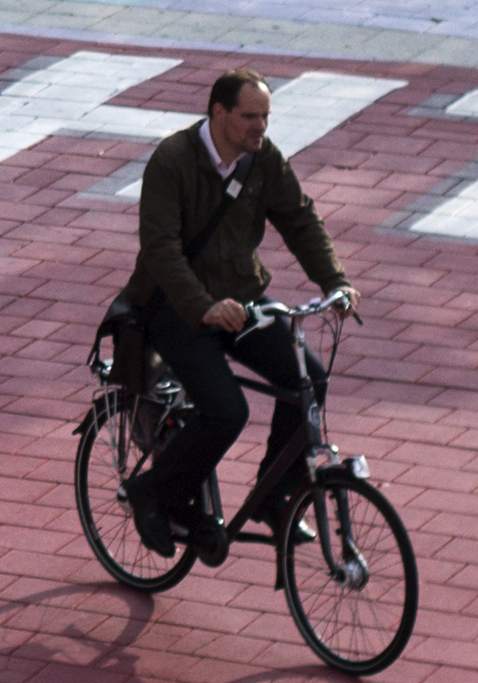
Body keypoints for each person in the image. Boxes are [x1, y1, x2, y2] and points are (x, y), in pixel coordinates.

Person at [120, 70, 359, 566]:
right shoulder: (173, 161)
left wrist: (334, 282)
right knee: (227, 411)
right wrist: (203, 305)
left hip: (242, 301)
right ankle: (153, 493)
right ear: (219, 114)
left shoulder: (262, 159)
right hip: (175, 309)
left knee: (309, 379)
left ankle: (277, 493)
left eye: (266, 116)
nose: (261, 127)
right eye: (250, 116)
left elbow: (299, 218)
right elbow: (160, 249)